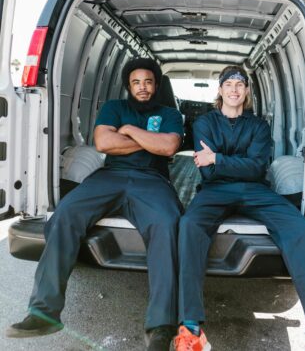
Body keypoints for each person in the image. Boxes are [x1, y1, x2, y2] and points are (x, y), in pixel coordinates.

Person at [7, 58, 184, 351]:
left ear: (156, 85)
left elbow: (168, 147)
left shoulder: (169, 113)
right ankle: (43, 312)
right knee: (65, 214)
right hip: (110, 176)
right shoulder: (114, 107)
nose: (143, 87)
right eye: (136, 82)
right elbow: (103, 143)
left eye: (148, 82)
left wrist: (127, 131)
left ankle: (161, 328)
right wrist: (150, 140)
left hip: (152, 180)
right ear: (129, 85)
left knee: (167, 225)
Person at [173, 66, 305, 351]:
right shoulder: (204, 123)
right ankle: (191, 329)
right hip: (214, 191)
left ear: (246, 91)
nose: (233, 89)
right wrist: (230, 165)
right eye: (228, 84)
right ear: (219, 90)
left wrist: (217, 158)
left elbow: (257, 168)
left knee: (301, 228)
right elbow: (208, 174)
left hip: (256, 190)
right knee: (189, 224)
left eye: (239, 85)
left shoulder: (258, 126)